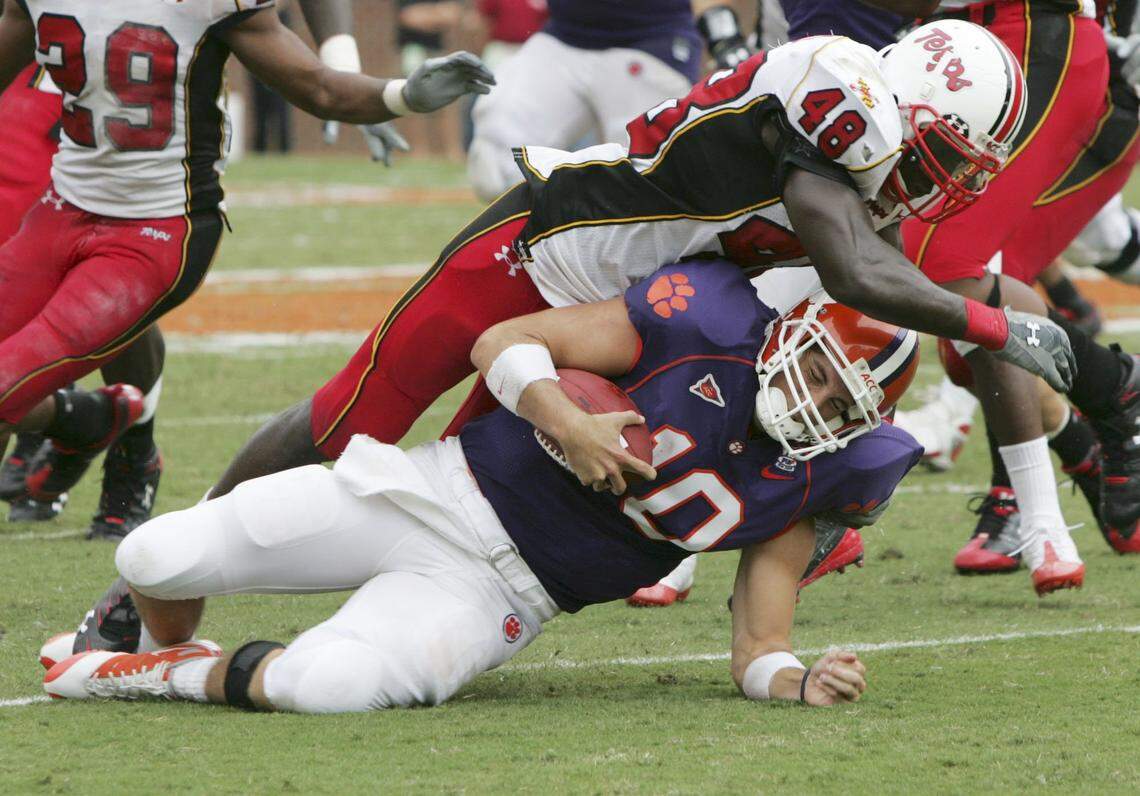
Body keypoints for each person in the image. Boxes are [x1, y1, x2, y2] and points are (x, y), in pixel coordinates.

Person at [71, 21, 1077, 654]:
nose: (945, 179)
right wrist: (998, 322)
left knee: (463, 498)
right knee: (347, 422)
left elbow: (868, 299)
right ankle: (135, 597)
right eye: (947, 151)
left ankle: (367, 642)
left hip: (613, 318)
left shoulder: (866, 157)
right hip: (534, 251)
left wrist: (820, 495)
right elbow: (858, 272)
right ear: (910, 104)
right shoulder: (840, 98)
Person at [42, 259, 919, 712]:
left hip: (500, 592)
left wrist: (799, 680)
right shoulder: (705, 324)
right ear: (792, 332)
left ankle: (157, 675)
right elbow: (505, 341)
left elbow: (760, 647)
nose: (817, 401)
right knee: (154, 554)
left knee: (327, 687)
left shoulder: (823, 476)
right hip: (422, 491)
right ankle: (169, 643)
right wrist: (566, 422)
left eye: (844, 402)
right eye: (821, 370)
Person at [0, 0, 494, 524]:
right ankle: (83, 420)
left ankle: (97, 430)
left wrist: (396, 96)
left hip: (155, 227)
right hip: (60, 210)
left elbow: (319, 88)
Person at [896, 0, 1140, 578]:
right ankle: (1091, 426)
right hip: (953, 51)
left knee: (944, 271)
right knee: (966, 322)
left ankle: (1033, 484)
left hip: (1048, 50)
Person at [467, 0, 703, 201]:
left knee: (650, 183)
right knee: (496, 167)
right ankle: (554, 233)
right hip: (564, 36)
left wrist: (716, 23)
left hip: (651, 40)